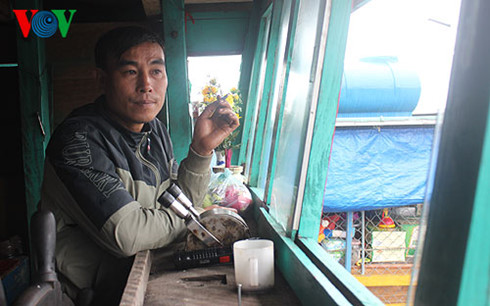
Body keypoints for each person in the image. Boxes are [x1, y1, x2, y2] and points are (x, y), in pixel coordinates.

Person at [40, 26, 239, 305]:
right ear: (102, 79)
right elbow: (128, 235)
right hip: (85, 295)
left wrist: (201, 150)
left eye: (156, 71)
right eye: (130, 72)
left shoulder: (154, 130)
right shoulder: (78, 142)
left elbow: (178, 201)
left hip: (137, 274)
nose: (147, 84)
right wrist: (191, 222)